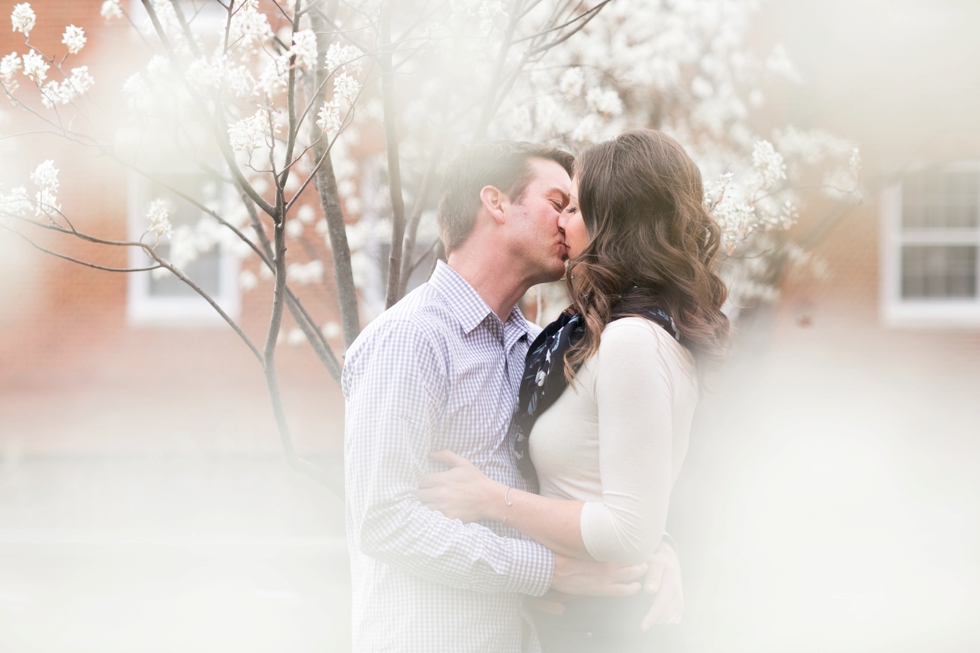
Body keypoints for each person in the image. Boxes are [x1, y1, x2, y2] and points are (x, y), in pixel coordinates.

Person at [342, 140, 684, 653]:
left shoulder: (537, 347)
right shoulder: (411, 339)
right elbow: (384, 521)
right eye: (558, 203)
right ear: (497, 203)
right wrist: (548, 571)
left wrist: (651, 550)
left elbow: (569, 483)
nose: (571, 222)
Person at [417, 129, 731, 652]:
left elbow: (632, 530)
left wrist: (492, 500)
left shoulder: (633, 340)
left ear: (614, 224)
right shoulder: (599, 334)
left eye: (575, 208)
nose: (561, 221)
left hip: (605, 629)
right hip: (576, 620)